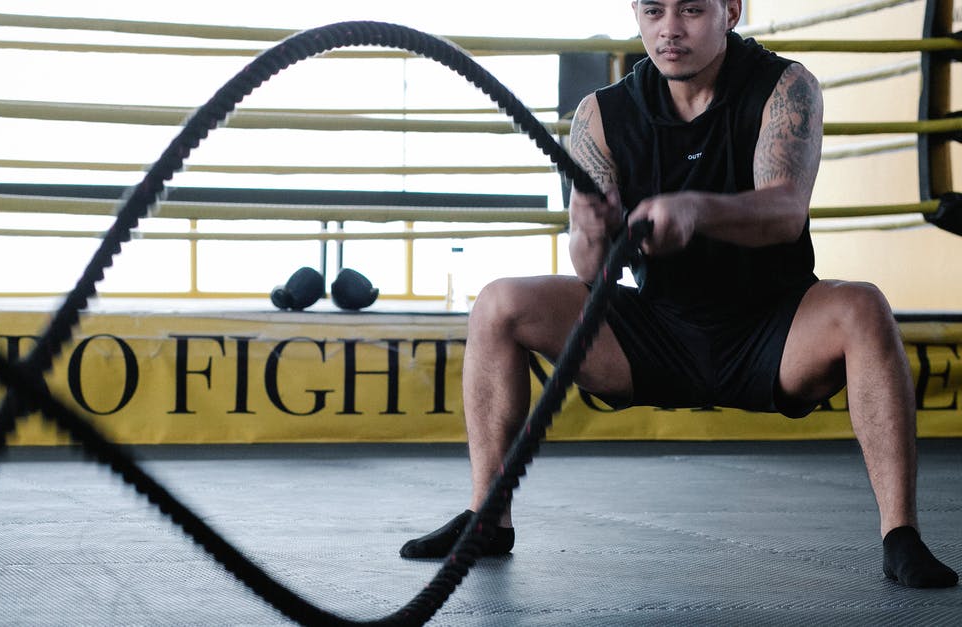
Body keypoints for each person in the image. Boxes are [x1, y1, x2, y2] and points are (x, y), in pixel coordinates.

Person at [399, 0, 957, 588]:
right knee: (498, 303)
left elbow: (785, 212)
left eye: (691, 9)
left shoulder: (785, 86)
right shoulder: (601, 114)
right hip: (655, 333)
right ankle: (489, 519)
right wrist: (592, 227)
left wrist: (695, 211)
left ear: (731, 11)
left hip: (772, 328)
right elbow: (592, 269)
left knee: (863, 305)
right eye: (654, 10)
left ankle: (902, 536)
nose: (670, 29)